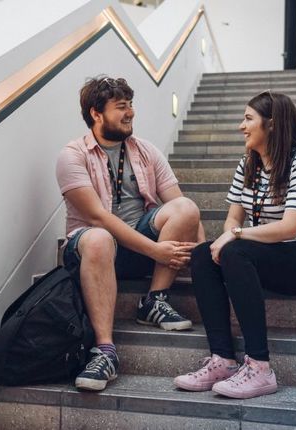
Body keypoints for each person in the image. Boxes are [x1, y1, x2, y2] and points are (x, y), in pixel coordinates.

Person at [173, 91, 296, 399]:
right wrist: (231, 233)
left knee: (233, 249)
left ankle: (259, 367)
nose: (240, 126)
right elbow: (233, 217)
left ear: (271, 125)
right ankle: (224, 361)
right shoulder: (248, 164)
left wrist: (237, 235)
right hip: (262, 252)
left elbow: (289, 228)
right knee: (204, 253)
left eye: (247, 119)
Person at [56, 76, 205, 391]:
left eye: (131, 105)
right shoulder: (72, 155)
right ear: (96, 114)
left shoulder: (146, 151)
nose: (130, 113)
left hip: (140, 249)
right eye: (121, 107)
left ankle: (154, 299)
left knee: (187, 208)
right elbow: (97, 216)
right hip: (91, 250)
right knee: (98, 236)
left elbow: (180, 205)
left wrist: (204, 255)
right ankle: (105, 351)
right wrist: (157, 252)